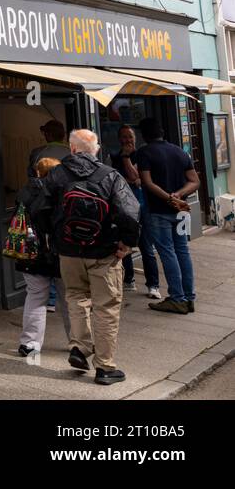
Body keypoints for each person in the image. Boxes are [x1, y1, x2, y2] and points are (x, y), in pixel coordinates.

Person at [46, 129, 140, 385]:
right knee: (106, 307)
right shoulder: (110, 176)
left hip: (68, 252)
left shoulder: (56, 174)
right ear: (95, 149)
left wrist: (55, 240)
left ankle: (79, 347)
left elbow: (40, 209)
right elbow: (130, 213)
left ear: (72, 149)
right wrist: (127, 243)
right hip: (104, 252)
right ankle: (105, 367)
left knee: (75, 297)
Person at [133, 117, 199, 315]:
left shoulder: (144, 152)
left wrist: (170, 199)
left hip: (158, 211)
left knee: (167, 252)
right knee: (182, 251)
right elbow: (194, 181)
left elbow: (147, 182)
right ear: (162, 132)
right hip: (179, 211)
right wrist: (179, 196)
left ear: (143, 135)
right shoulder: (179, 151)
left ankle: (177, 299)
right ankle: (189, 297)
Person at [15, 157, 72, 357]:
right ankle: (77, 341)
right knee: (68, 297)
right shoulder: (59, 193)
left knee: (36, 297)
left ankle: (30, 344)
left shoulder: (24, 193)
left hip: (31, 251)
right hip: (58, 251)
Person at [110, 126, 160, 298]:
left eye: (130, 136)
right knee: (125, 245)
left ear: (135, 138)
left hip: (142, 206)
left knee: (146, 247)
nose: (127, 140)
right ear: (119, 139)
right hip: (124, 209)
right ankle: (128, 279)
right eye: (123, 137)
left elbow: (132, 176)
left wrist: (126, 158)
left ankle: (153, 285)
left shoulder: (141, 155)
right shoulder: (114, 156)